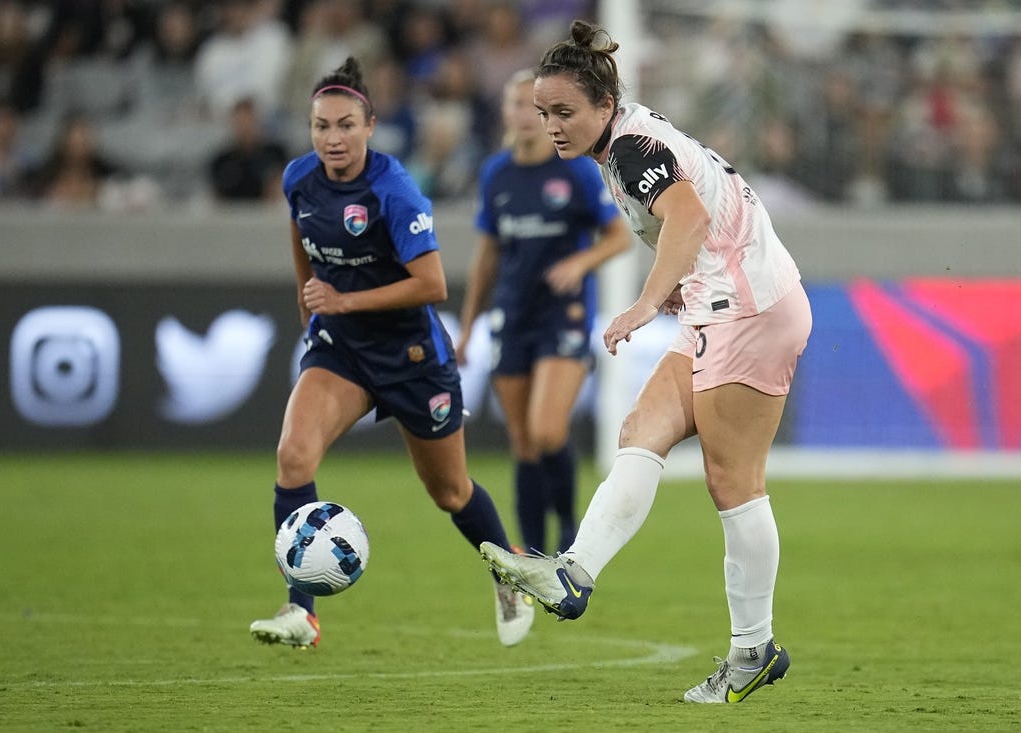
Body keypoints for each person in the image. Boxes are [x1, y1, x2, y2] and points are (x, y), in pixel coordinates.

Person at [480, 20, 812, 704]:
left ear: (604, 104)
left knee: (733, 480)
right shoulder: (624, 141)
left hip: (746, 307)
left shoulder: (630, 148)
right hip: (723, 302)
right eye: (545, 113)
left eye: (564, 112)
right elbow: (695, 217)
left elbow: (687, 220)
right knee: (642, 430)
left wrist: (642, 301)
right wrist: (674, 292)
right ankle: (574, 572)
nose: (552, 126)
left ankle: (753, 649)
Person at [249, 57, 534, 650]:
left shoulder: (393, 189)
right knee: (293, 458)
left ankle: (509, 571)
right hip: (342, 353)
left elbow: (433, 285)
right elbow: (300, 232)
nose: (333, 138)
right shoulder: (299, 178)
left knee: (450, 493)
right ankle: (302, 612)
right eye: (322, 126)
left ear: (370, 126)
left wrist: (343, 301)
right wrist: (312, 302)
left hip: (411, 358)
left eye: (346, 125)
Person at [455, 68, 630, 556]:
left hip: (564, 316)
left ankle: (571, 530)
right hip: (513, 314)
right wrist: (467, 328)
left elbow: (616, 236)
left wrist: (580, 261)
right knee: (524, 442)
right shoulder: (496, 173)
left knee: (548, 429)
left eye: (541, 110)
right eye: (519, 106)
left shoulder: (572, 168)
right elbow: (487, 254)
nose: (530, 118)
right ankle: (532, 553)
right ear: (506, 113)